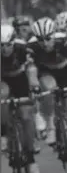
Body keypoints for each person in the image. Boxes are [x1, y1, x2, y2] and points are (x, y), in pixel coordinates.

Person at [27, 17, 67, 171]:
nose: (44, 43)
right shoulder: (32, 45)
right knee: (48, 88)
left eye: (48, 38)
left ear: (54, 34)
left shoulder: (64, 42)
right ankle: (50, 126)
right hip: (46, 73)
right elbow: (32, 71)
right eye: (40, 39)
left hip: (65, 72)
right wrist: (34, 84)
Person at [1, 24, 40, 173]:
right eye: (1, 46)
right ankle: (3, 133)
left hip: (20, 80)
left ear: (14, 41)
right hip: (3, 81)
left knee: (26, 115)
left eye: (8, 45)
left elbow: (31, 69)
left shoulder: (23, 48)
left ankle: (30, 158)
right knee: (2, 97)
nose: (5, 49)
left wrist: (34, 85)